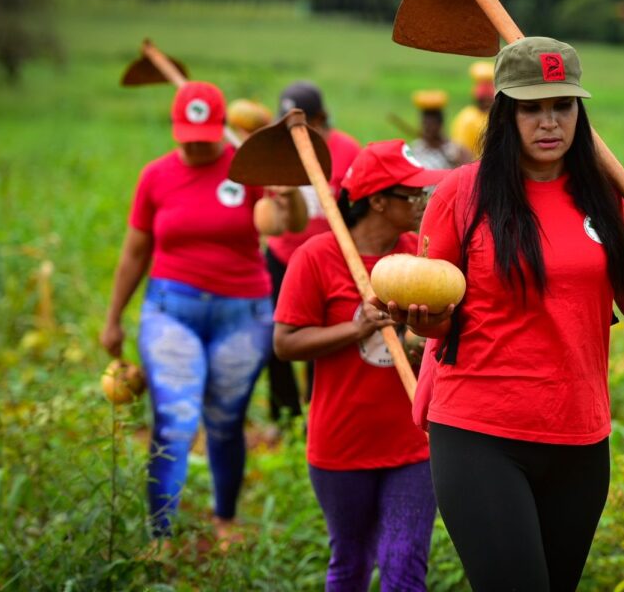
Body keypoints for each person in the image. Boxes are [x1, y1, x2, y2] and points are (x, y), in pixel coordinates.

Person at [380, 37, 624, 591]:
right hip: (480, 429)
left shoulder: (606, 195)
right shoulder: (461, 194)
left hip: (580, 435)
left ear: (579, 111)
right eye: (531, 108)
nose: (550, 123)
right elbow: (440, 309)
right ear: (505, 113)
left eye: (562, 106)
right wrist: (424, 323)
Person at [100, 81, 307, 545]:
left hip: (243, 314)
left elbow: (287, 224)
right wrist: (113, 316)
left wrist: (285, 191)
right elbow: (135, 251)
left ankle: (225, 520)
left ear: (221, 129)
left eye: (205, 134)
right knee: (173, 418)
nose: (196, 143)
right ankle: (161, 536)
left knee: (225, 420)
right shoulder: (155, 176)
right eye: (187, 133)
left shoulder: (247, 169)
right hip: (172, 311)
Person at [273, 140, 448, 591]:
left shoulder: (422, 256)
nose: (421, 203)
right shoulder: (316, 257)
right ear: (376, 200)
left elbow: (435, 338)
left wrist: (418, 336)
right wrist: (356, 329)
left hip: (412, 443)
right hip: (341, 445)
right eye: (411, 195)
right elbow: (285, 343)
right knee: (350, 561)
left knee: (403, 565)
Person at [264, 81, 362, 423]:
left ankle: (316, 416)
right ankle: (286, 418)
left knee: (320, 342)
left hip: (331, 262)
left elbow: (356, 213)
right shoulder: (277, 153)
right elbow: (277, 222)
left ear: (320, 119)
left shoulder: (347, 150)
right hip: (283, 258)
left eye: (305, 124)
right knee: (277, 342)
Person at [409, 89, 474, 170]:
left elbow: (467, 170)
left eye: (432, 125)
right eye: (425, 124)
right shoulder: (415, 149)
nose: (428, 129)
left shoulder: (456, 150)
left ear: (440, 124)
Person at [450, 60, 495, 157]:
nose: (488, 103)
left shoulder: (498, 117)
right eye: (484, 100)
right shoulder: (467, 118)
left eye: (489, 100)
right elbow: (461, 151)